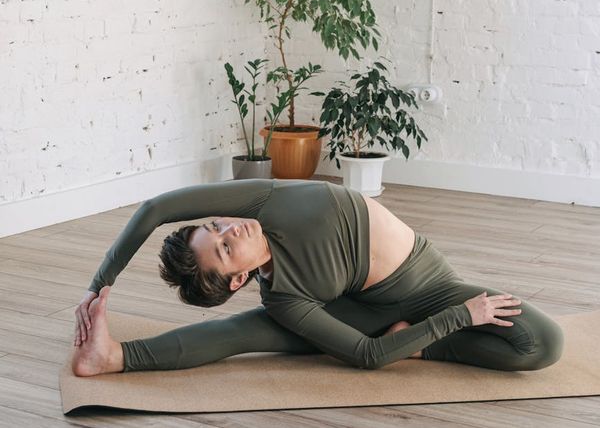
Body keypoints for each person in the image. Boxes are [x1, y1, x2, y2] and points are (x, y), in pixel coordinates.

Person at [71, 178, 564, 376]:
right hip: (365, 316)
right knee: (245, 332)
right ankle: (115, 358)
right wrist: (461, 318)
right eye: (224, 247)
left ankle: (415, 346)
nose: (230, 228)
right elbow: (368, 356)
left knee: (542, 343)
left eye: (215, 226)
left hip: (428, 286)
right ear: (238, 280)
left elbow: (156, 207)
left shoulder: (260, 202)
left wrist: (99, 284)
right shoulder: (283, 299)